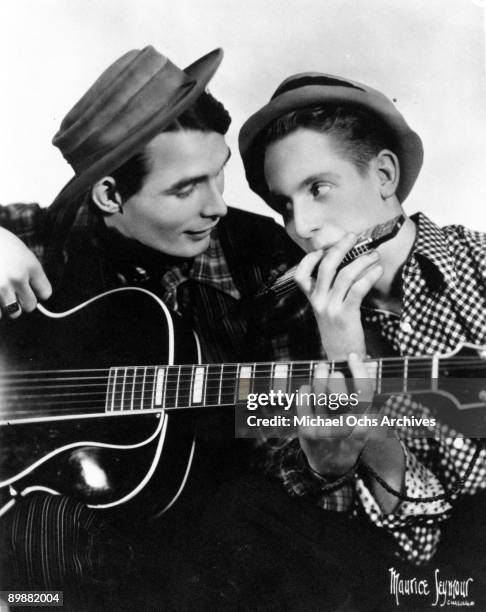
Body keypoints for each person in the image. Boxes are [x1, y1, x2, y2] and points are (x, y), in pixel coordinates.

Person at [0, 48, 321, 610]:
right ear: (108, 194)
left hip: (197, 552)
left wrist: (324, 435)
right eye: (185, 188)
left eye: (219, 173)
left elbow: (287, 454)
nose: (219, 206)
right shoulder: (33, 237)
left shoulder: (264, 261)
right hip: (41, 558)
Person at [171, 73, 486, 611]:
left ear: (384, 175)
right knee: (239, 512)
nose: (303, 226)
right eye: (284, 206)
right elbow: (408, 536)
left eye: (319, 188)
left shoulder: (477, 267)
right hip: (383, 574)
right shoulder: (284, 317)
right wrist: (342, 354)